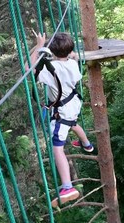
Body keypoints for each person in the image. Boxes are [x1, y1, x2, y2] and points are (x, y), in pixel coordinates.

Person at [29, 32, 94, 207]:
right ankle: (87, 144)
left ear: (52, 52)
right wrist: (66, 50)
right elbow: (71, 55)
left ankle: (68, 187)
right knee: (72, 124)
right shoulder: (72, 63)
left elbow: (28, 67)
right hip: (73, 104)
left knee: (57, 149)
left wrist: (39, 45)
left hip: (61, 112)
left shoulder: (51, 69)